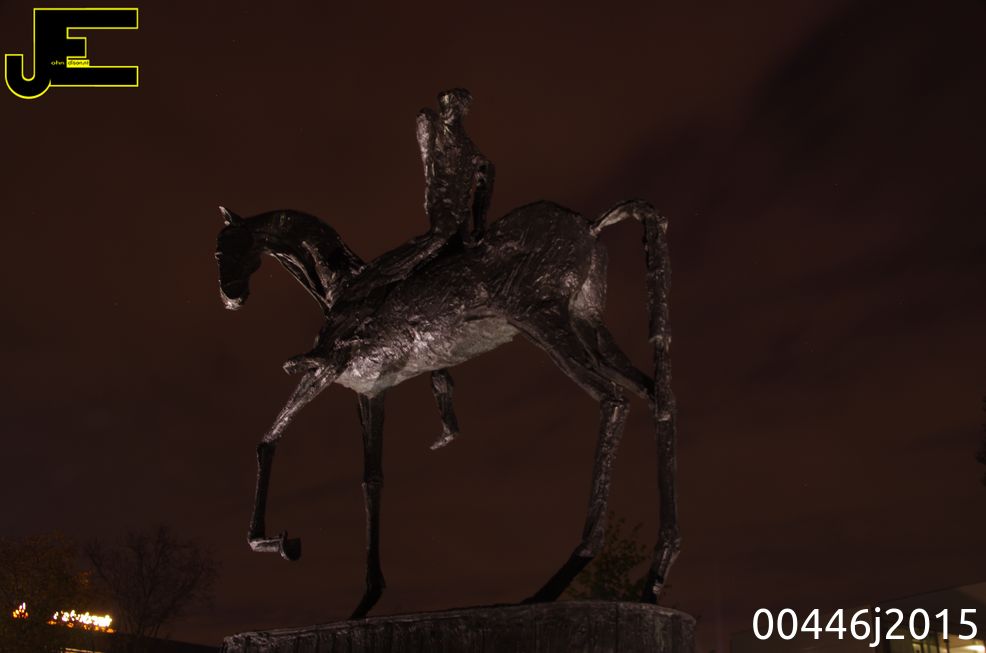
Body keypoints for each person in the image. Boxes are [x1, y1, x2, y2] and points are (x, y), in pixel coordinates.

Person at [368, 88, 495, 285]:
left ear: (461, 109)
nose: (448, 110)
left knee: (462, 252)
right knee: (441, 236)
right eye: (446, 105)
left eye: (454, 106)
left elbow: (484, 168)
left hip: (461, 210)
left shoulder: (468, 146)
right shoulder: (435, 127)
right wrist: (431, 191)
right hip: (442, 201)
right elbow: (427, 157)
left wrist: (479, 224)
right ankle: (384, 272)